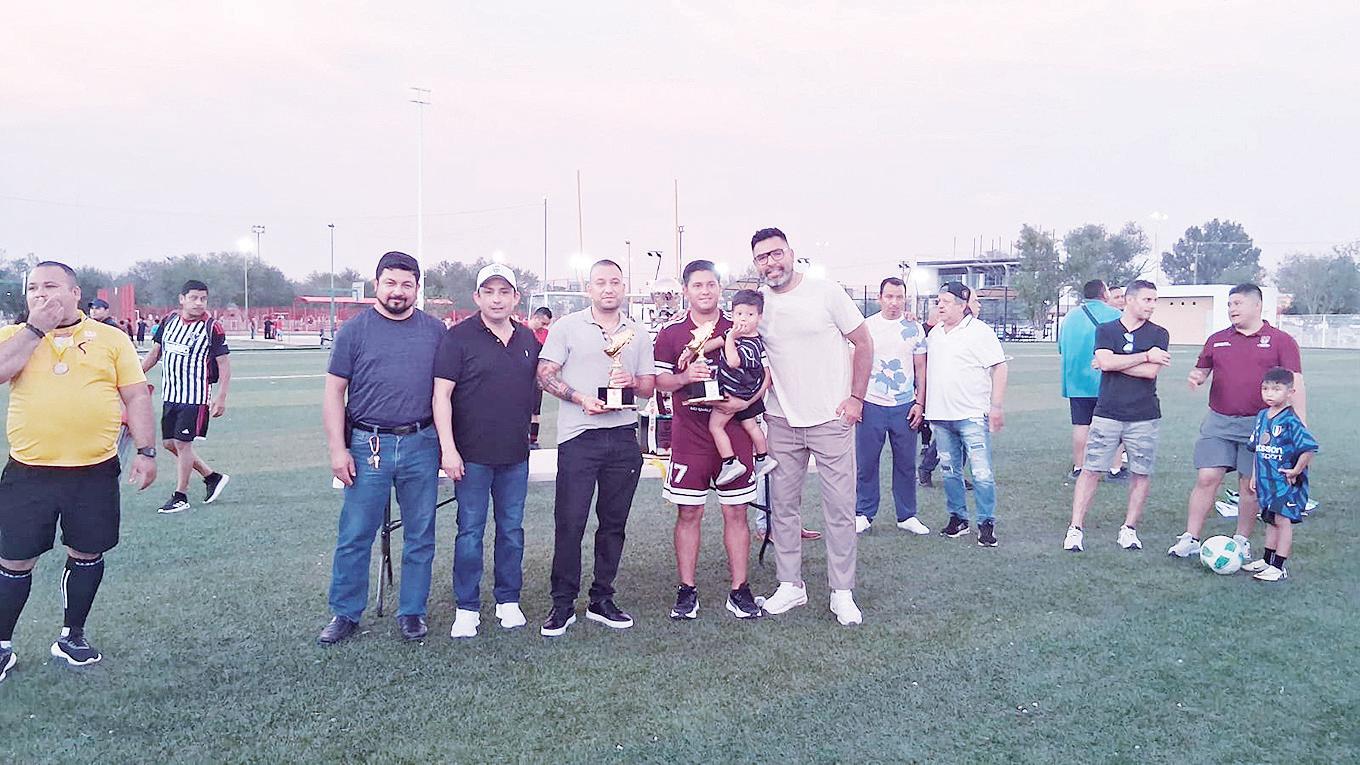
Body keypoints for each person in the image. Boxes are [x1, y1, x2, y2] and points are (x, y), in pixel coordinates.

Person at [0, 261, 157, 681]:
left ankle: (72, 636)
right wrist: (36, 329)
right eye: (33, 287)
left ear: (75, 293)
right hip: (29, 470)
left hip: (93, 470)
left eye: (50, 286)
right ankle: (2, 644)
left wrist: (146, 450)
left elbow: (136, 396)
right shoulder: (14, 336)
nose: (40, 294)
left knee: (87, 553)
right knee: (14, 558)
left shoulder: (111, 338)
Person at [318, 251, 446, 645]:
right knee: (356, 533)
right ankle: (345, 612)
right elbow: (334, 393)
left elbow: (446, 393)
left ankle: (412, 611)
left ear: (417, 289)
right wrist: (337, 449)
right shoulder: (354, 331)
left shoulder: (435, 331)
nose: (398, 291)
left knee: (420, 533)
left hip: (421, 442)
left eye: (407, 284)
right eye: (390, 283)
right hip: (367, 444)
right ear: (377, 284)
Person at [750, 228, 872, 626]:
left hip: (831, 418)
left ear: (791, 253)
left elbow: (863, 342)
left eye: (776, 253)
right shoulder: (757, 304)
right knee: (783, 508)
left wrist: (856, 399)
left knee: (839, 509)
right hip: (781, 421)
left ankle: (842, 592)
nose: (771, 263)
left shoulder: (826, 291)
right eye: (762, 257)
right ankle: (790, 585)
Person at [535, 259, 656, 636]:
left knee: (613, 524)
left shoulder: (637, 332)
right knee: (570, 522)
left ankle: (602, 598)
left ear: (624, 287)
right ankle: (562, 602)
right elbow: (544, 375)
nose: (608, 288)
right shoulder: (567, 327)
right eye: (600, 282)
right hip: (579, 437)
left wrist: (632, 381)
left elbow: (648, 387)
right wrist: (580, 398)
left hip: (622, 436)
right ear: (589, 288)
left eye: (615, 282)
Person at [653, 261, 767, 621]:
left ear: (720, 288)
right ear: (686, 290)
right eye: (698, 285)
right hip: (691, 435)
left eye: (711, 284)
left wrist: (746, 403)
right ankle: (687, 589)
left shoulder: (739, 325)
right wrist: (685, 376)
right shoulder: (671, 332)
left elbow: (765, 374)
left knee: (736, 511)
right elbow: (660, 382)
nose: (705, 291)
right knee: (689, 512)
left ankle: (739, 589)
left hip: (733, 433)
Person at [434, 265, 539, 638]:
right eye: (489, 292)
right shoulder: (458, 338)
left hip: (515, 456)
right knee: (470, 532)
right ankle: (467, 606)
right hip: (471, 456)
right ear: (477, 297)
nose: (497, 299)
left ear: (516, 298)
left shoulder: (527, 338)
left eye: (504, 292)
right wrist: (448, 449)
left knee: (511, 531)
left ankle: (508, 600)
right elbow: (441, 396)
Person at [1168, 283, 1306, 561]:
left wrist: (1299, 428)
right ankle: (1190, 538)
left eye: (1238, 303)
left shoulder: (1281, 340)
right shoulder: (1217, 339)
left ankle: (1241, 540)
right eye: (1230, 304)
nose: (1232, 309)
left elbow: (1296, 384)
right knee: (1207, 477)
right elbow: (1202, 369)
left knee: (1249, 484)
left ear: (1257, 305)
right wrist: (1196, 377)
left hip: (1261, 426)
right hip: (1219, 421)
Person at [1063, 280, 1171, 552]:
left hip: (1144, 415)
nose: (1152, 306)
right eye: (1147, 300)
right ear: (1129, 300)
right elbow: (1107, 361)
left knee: (1140, 474)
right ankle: (1075, 529)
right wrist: (1144, 356)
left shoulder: (1160, 333)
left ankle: (1129, 529)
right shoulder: (1106, 330)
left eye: (1154, 300)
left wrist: (1113, 363)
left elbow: (1149, 372)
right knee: (1091, 470)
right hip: (1107, 413)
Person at [924, 281, 1009, 546]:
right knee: (950, 471)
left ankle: (986, 523)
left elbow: (999, 367)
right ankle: (958, 519)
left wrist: (996, 406)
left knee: (981, 472)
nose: (940, 306)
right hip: (941, 415)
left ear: (962, 306)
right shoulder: (935, 334)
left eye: (946, 302)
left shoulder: (979, 332)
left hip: (971, 414)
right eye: (939, 301)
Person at [141, 280, 232, 514]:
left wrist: (221, 396)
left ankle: (180, 495)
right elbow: (155, 353)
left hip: (195, 396)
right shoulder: (169, 321)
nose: (199, 303)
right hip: (170, 393)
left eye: (203, 299)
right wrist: (135, 375)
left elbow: (224, 363)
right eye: (194, 298)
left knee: (183, 443)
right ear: (182, 299)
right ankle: (211, 476)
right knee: (169, 443)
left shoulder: (212, 327)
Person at [855, 277, 930, 535]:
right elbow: (856, 363)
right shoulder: (866, 327)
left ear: (905, 299)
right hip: (871, 404)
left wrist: (920, 402)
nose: (894, 302)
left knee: (906, 463)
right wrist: (856, 399)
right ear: (880, 298)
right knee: (866, 463)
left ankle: (907, 515)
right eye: (889, 296)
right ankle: (864, 513)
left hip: (905, 406)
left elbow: (921, 368)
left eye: (899, 297)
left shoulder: (914, 328)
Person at [678, 289, 775, 485]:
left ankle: (730, 462)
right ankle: (763, 458)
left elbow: (732, 361)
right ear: (732, 314)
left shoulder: (752, 344)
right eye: (739, 314)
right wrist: (693, 351)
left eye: (749, 314)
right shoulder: (734, 334)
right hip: (745, 392)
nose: (743, 319)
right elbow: (713, 343)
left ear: (759, 317)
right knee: (750, 425)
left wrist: (730, 338)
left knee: (715, 426)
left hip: (736, 392)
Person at [1242, 367, 1318, 582]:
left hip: (1283, 482)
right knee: (1270, 519)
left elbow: (1309, 448)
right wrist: (1255, 475)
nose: (1269, 394)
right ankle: (1267, 560)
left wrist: (1296, 470)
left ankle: (1279, 566)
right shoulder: (1261, 416)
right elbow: (1257, 449)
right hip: (1265, 480)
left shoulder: (1291, 420)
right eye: (1265, 388)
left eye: (1276, 389)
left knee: (1283, 521)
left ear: (1290, 393)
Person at [1058, 280, 1123, 480]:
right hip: (1108, 380)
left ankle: (1079, 467)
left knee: (1081, 424)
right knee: (1115, 425)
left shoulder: (1070, 317)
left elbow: (1061, 347)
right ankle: (1115, 468)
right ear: (1104, 293)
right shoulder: (1116, 315)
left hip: (1076, 382)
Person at [527, 306, 553, 449]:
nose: (544, 327)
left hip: (535, 377)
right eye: (543, 323)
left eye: (546, 325)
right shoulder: (519, 330)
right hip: (518, 377)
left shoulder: (546, 335)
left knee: (535, 410)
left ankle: (533, 441)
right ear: (536, 317)